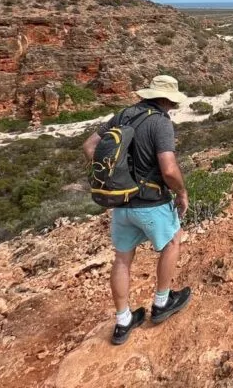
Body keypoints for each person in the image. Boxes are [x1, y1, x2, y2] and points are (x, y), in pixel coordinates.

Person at [82, 75, 192, 345]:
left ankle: (123, 321)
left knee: (122, 259)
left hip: (121, 203)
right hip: (151, 202)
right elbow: (168, 168)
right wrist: (181, 192)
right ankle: (162, 303)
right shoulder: (160, 123)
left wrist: (114, 178)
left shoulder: (124, 115)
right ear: (166, 99)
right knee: (172, 241)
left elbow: (89, 146)